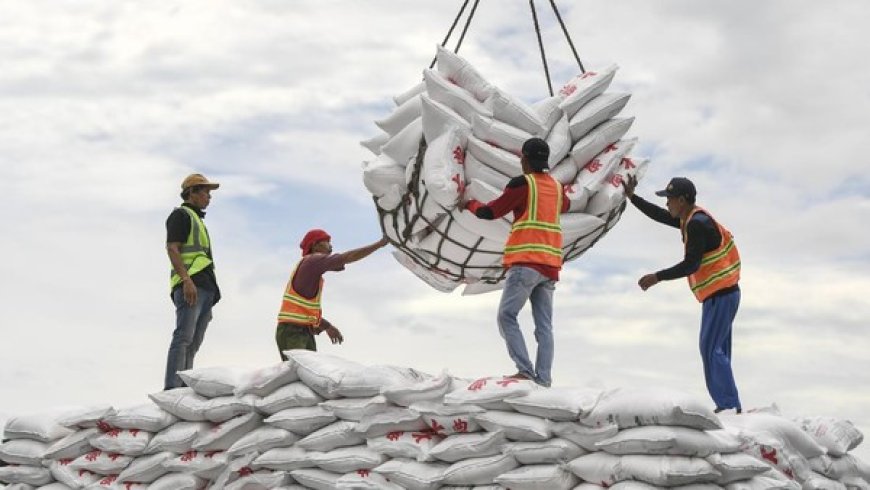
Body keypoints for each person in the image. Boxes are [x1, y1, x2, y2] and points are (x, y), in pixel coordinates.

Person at [622, 175, 742, 413]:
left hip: (721, 294)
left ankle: (728, 405)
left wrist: (657, 277)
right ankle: (729, 404)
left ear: (683, 200)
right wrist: (632, 198)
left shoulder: (697, 223)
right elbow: (660, 215)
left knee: (710, 348)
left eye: (670, 199)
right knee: (716, 349)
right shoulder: (691, 218)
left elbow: (691, 265)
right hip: (722, 294)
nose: (667, 204)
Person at [464, 138, 570, 387]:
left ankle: (525, 371)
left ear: (524, 158)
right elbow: (565, 205)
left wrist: (469, 204)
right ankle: (543, 379)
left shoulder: (523, 184)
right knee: (544, 326)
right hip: (550, 267)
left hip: (526, 263)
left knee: (506, 316)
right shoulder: (557, 187)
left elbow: (490, 212)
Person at [275, 229, 389, 360]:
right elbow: (346, 258)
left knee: (309, 372)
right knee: (301, 370)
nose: (331, 246)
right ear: (314, 245)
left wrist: (327, 327)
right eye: (327, 242)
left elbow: (306, 311)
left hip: (301, 330)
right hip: (293, 331)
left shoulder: (311, 270)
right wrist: (380, 244)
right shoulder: (312, 261)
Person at [164, 173, 221, 390]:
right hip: (191, 285)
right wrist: (186, 280)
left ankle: (184, 386)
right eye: (206, 192)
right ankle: (172, 388)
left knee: (193, 342)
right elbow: (172, 248)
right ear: (192, 193)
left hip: (205, 287)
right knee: (183, 337)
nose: (209, 197)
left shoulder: (197, 219)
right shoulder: (181, 215)